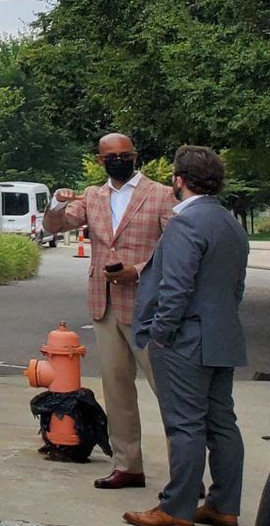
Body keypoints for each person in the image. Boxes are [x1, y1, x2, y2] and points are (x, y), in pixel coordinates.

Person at [125, 146, 248, 526]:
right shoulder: (230, 223)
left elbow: (174, 286)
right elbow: (236, 286)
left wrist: (160, 334)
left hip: (185, 339)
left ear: (178, 179)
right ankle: (224, 505)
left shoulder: (185, 223)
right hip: (222, 335)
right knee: (222, 423)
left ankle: (176, 508)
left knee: (185, 424)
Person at [43, 132, 177, 489]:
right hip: (104, 305)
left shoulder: (161, 195)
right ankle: (128, 465)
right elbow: (53, 226)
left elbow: (176, 248)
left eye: (125, 154)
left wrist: (141, 270)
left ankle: (185, 471)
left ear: (135, 156)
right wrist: (56, 203)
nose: (119, 160)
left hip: (148, 306)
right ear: (101, 161)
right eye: (111, 156)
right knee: (117, 390)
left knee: (168, 391)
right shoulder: (93, 196)